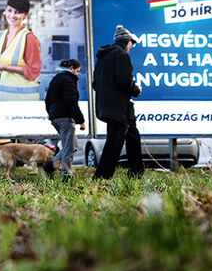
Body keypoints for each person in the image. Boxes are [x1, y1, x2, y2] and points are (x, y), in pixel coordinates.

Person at [92, 25, 143, 179]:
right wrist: (136, 89)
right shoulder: (121, 55)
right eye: (131, 44)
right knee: (114, 144)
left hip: (108, 105)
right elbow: (123, 81)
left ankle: (136, 172)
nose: (131, 47)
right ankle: (101, 177)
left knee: (133, 137)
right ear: (126, 42)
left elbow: (95, 84)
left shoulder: (103, 57)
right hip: (118, 107)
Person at [0, 0, 41, 101]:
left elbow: (34, 71)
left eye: (18, 12)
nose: (12, 15)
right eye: (10, 10)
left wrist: (6, 68)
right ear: (5, 11)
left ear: (25, 15)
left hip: (20, 100)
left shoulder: (29, 38)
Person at [45, 59, 86, 177]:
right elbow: (71, 102)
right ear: (71, 68)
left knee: (73, 146)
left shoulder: (56, 79)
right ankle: (66, 174)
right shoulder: (68, 80)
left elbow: (48, 100)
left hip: (55, 117)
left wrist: (52, 113)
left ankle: (51, 165)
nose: (77, 74)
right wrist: (81, 121)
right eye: (77, 71)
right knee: (69, 147)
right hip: (65, 117)